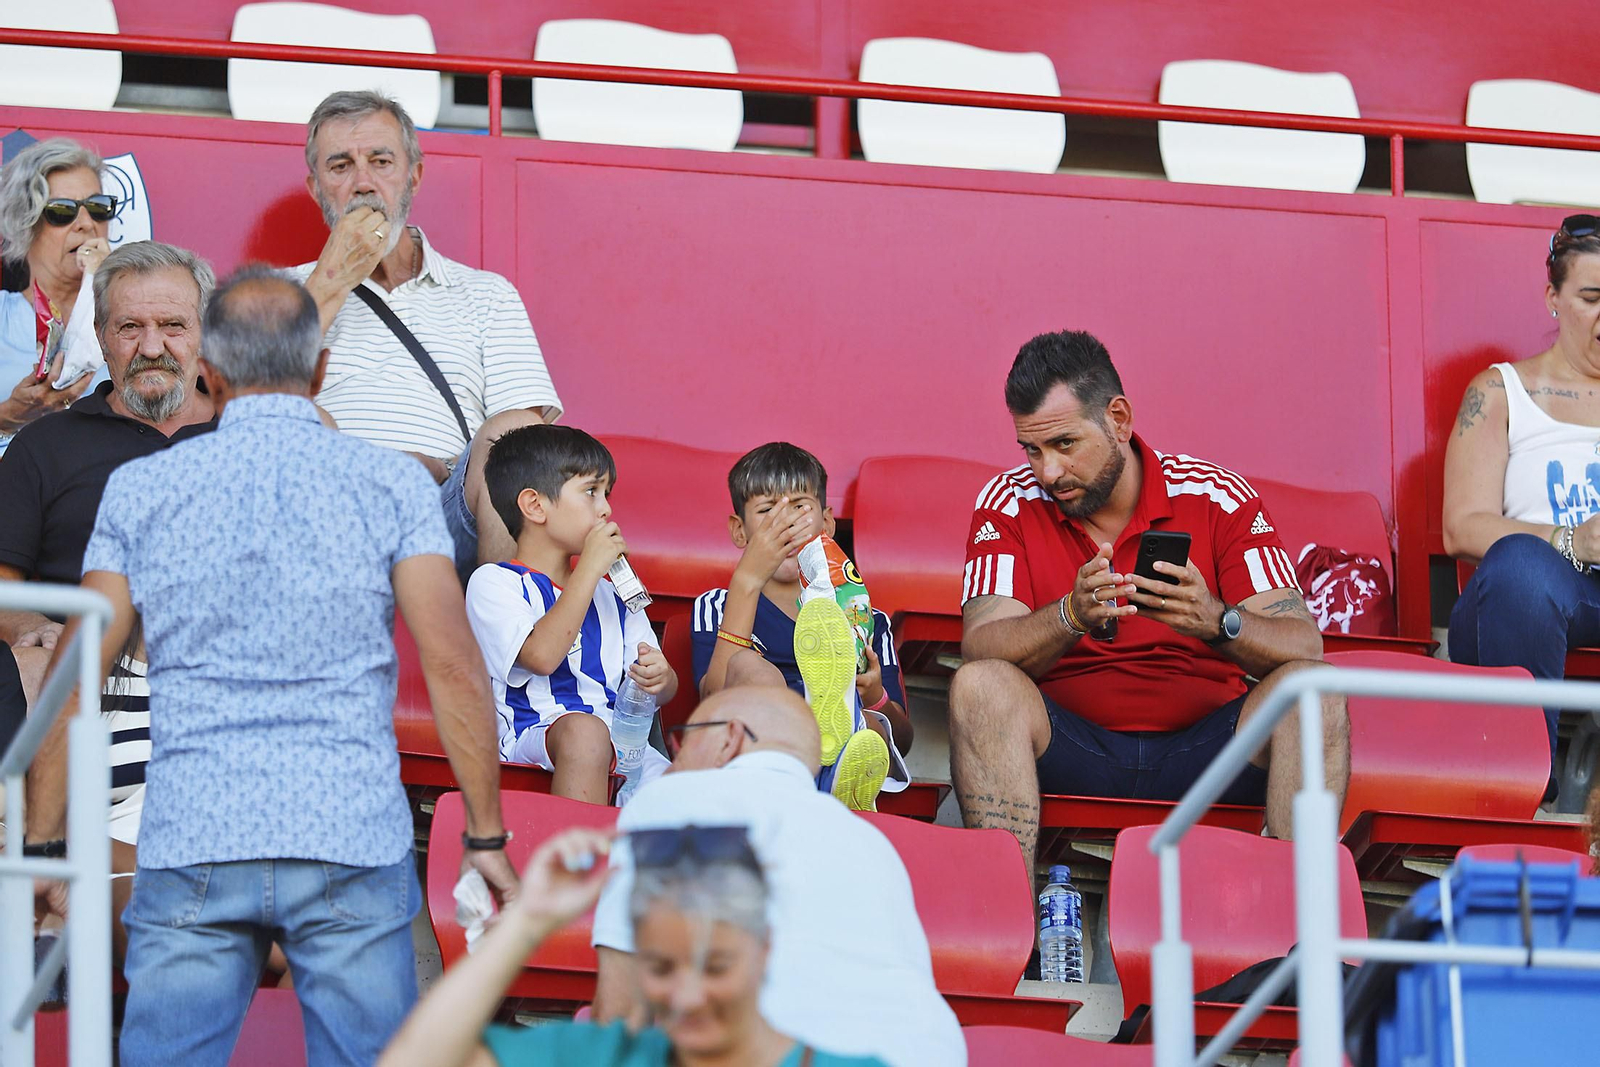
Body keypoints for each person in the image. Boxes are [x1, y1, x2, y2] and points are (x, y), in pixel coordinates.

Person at [34, 266, 517, 1066]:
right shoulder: (390, 484)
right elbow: (454, 665)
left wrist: (45, 847)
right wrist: (486, 830)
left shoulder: (141, 489)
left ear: (209, 374)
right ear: (319, 371)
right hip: (347, 835)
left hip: (194, 835)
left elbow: (78, 676)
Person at [950, 329, 1348, 865]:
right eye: (1032, 450)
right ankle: (1012, 920)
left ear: (1118, 419)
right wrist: (1069, 616)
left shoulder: (1217, 496)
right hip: (1073, 749)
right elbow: (981, 646)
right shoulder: (1008, 501)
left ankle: (1296, 918)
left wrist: (1217, 622)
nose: (1048, 472)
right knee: (979, 686)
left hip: (1208, 755)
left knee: (1314, 693)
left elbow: (1305, 645)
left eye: (1065, 444)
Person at [3, 241, 218, 961]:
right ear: (100, 336)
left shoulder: (248, 438)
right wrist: (37, 625)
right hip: (80, 682)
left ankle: (69, 913)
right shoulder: (47, 447)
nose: (152, 347)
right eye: (130, 328)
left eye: (173, 326)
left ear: (206, 333)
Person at [591, 688, 965, 1067]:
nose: (674, 764)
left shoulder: (670, 799)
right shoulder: (872, 841)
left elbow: (620, 1014)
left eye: (683, 744)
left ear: (730, 738)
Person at [292, 90, 562, 582]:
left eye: (381, 162)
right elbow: (252, 403)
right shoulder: (280, 292)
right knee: (305, 420)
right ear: (315, 188)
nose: (363, 183)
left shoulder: (486, 294)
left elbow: (531, 448)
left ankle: (506, 617)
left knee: (517, 428)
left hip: (447, 508)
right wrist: (330, 279)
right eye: (340, 166)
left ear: (413, 176)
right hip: (324, 507)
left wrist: (439, 468)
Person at [378, 825, 888, 1067]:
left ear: (766, 949)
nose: (687, 996)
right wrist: (528, 921)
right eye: (662, 967)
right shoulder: (605, 1056)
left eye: (715, 966)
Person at [1444, 213, 1600, 800]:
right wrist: (1571, 540)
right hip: (1536, 586)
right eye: (1591, 298)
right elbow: (1462, 527)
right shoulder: (1499, 391)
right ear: (1553, 299)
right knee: (1519, 567)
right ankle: (1523, 791)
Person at [691, 442, 912, 811]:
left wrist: (875, 695)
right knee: (748, 666)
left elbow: (902, 741)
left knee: (865, 728)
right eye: (767, 510)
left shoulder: (867, 616)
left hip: (850, 751)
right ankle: (804, 764)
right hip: (753, 758)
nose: (786, 523)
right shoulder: (717, 606)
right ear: (739, 531)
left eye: (799, 508)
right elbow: (711, 701)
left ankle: (834, 765)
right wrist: (746, 581)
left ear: (827, 523)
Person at [465, 425, 675, 804]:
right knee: (585, 735)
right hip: (537, 735)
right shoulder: (495, 583)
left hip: (624, 744)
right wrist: (590, 569)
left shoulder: (613, 594)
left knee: (697, 785)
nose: (606, 508)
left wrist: (660, 678)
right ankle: (577, 844)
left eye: (607, 493)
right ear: (535, 506)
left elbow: (662, 693)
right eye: (591, 491)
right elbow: (541, 657)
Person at [0, 137, 113, 455]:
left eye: (98, 207)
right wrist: (7, 417)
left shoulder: (136, 321)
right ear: (23, 225)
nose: (86, 224)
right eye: (62, 211)